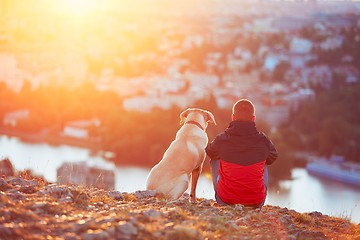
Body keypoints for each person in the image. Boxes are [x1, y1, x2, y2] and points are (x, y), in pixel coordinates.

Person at [205, 99, 278, 208]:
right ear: (253, 119)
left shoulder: (222, 139)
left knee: (215, 159)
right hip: (256, 203)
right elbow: (273, 157)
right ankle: (254, 196)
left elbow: (210, 151)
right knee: (265, 160)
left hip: (226, 200)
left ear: (233, 117)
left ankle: (225, 193)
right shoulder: (263, 140)